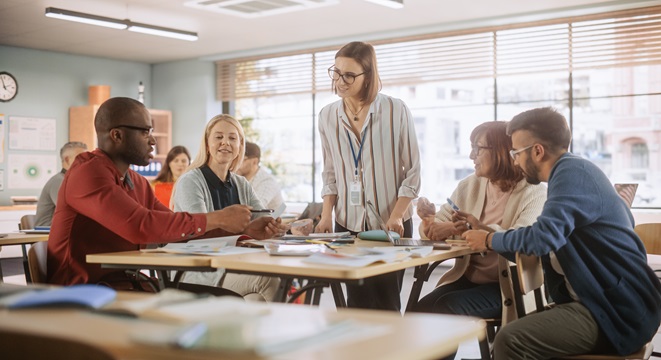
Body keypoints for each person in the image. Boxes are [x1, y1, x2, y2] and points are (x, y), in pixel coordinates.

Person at [463, 107, 661, 359]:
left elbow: (543, 238)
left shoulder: (571, 174)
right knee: (509, 338)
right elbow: (542, 237)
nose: (514, 161)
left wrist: (490, 240)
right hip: (613, 304)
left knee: (509, 340)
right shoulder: (575, 172)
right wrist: (490, 234)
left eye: (516, 153)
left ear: (537, 151)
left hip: (616, 312)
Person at [47, 97, 282, 288]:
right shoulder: (88, 172)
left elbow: (175, 227)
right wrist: (219, 218)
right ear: (117, 135)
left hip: (123, 281)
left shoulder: (136, 182)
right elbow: (139, 225)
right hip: (81, 289)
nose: (152, 141)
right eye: (145, 132)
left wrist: (244, 231)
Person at [316, 41, 421, 311]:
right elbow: (330, 171)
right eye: (336, 72)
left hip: (389, 224)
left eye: (349, 75)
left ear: (368, 76)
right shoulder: (327, 116)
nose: (340, 81)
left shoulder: (395, 110)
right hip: (348, 222)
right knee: (355, 306)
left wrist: (397, 214)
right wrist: (326, 214)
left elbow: (413, 171)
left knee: (386, 304)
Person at [413, 121, 546, 330]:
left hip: (509, 288)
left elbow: (520, 239)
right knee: (416, 313)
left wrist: (471, 230)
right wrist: (429, 220)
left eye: (478, 148)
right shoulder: (470, 184)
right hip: (469, 280)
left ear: (501, 151)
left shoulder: (534, 192)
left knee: (445, 309)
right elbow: (438, 227)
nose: (471, 156)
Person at [172, 114, 282, 302]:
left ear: (240, 146)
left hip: (233, 265)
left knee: (256, 299)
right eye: (219, 137)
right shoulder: (190, 181)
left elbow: (261, 220)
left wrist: (274, 227)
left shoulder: (241, 183)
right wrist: (246, 232)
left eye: (232, 138)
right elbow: (200, 233)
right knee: (269, 279)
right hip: (198, 271)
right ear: (207, 144)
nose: (226, 143)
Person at [35, 141, 88, 227]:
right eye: (81, 159)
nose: (86, 163)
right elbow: (71, 210)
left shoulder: (73, 181)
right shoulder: (58, 181)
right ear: (67, 160)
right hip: (47, 234)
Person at [235, 141, 285, 211]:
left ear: (254, 161)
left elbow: (254, 209)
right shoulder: (240, 179)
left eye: (242, 160)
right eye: (236, 159)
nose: (237, 163)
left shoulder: (267, 182)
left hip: (276, 220)